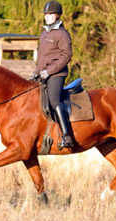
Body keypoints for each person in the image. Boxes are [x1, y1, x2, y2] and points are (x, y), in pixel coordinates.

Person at [30, 1, 74, 148]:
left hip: (57, 74)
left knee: (54, 101)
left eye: (50, 14)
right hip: (43, 74)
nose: (47, 17)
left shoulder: (62, 34)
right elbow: (42, 59)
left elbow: (66, 56)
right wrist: (35, 73)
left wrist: (49, 71)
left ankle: (67, 136)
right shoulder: (44, 34)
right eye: (46, 14)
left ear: (57, 15)